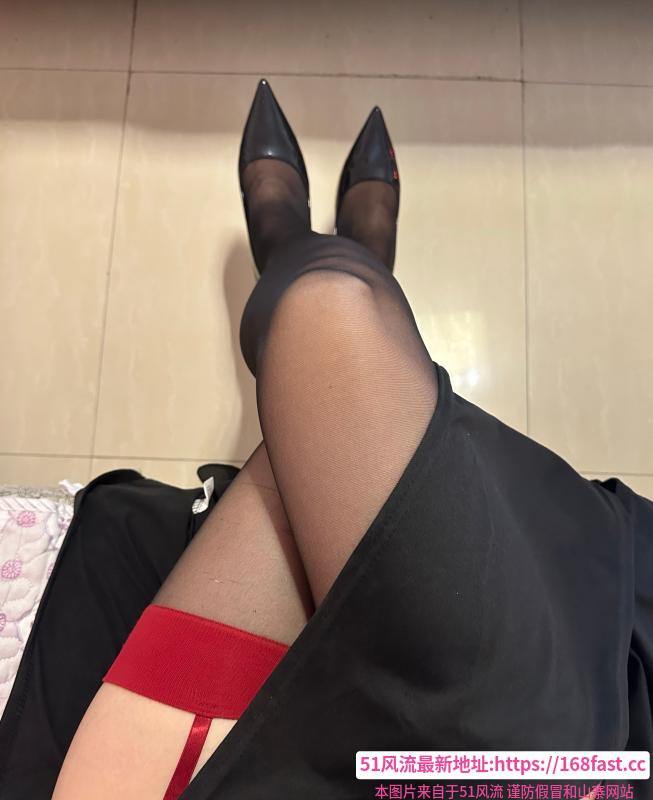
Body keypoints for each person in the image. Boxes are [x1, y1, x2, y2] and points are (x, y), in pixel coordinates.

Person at [27, 79, 653, 799]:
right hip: (602, 729)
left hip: (493, 765)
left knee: (330, 317)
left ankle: (299, 244)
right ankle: (334, 251)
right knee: (335, 347)